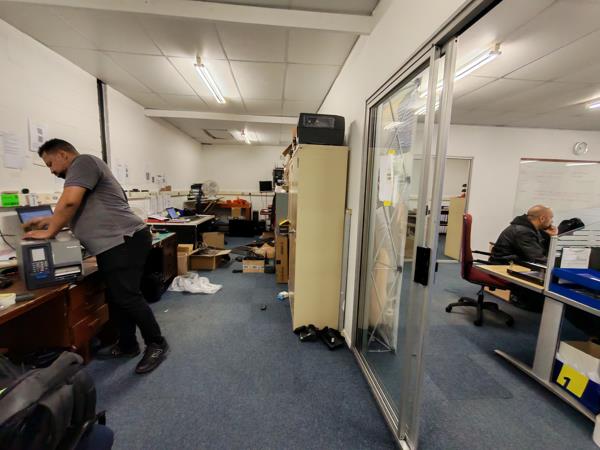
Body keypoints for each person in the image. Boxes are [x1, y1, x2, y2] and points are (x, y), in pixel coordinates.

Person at [23, 139, 168, 374]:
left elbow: (70, 202)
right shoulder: (85, 172)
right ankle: (128, 344)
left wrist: (50, 231)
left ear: (63, 154)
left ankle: (157, 344)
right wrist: (48, 221)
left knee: (128, 296)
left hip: (123, 240)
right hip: (112, 244)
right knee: (116, 297)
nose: (51, 170)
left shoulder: (82, 162)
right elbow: (79, 210)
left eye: (50, 163)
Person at [490, 204, 557, 264]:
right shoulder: (523, 232)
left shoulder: (529, 229)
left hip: (511, 265)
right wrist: (555, 267)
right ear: (542, 218)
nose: (552, 221)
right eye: (551, 218)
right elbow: (538, 259)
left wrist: (551, 236)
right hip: (502, 267)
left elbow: (541, 253)